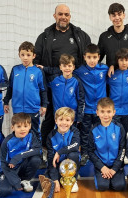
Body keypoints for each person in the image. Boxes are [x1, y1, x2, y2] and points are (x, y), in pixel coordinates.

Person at [34, 4, 91, 151]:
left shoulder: (80, 35)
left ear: (70, 16)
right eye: (60, 14)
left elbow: (89, 56)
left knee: (72, 120)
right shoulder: (45, 36)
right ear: (55, 16)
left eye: (66, 14)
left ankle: (73, 148)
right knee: (49, 118)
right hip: (52, 83)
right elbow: (36, 60)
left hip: (73, 80)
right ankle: (45, 148)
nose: (63, 17)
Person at [3, 41, 48, 139]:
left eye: (28, 55)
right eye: (22, 55)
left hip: (33, 108)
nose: (25, 57)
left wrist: (44, 105)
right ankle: (20, 152)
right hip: (18, 108)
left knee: (34, 131)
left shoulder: (38, 71)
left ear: (33, 56)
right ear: (19, 55)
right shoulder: (15, 70)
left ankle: (37, 152)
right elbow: (10, 87)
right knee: (19, 131)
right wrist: (6, 101)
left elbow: (43, 89)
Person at [73, 43, 109, 165]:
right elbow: (66, 71)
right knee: (85, 132)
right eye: (89, 57)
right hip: (87, 109)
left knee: (101, 131)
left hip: (101, 110)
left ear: (99, 57)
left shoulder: (105, 69)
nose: (92, 60)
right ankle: (84, 153)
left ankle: (100, 152)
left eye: (94, 57)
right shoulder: (79, 71)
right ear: (84, 57)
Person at [0, 113, 42, 197]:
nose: (22, 129)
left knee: (36, 159)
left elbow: (38, 150)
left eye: (25, 126)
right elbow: (3, 164)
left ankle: (25, 180)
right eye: (19, 126)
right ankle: (15, 180)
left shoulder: (31, 135)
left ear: (29, 126)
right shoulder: (7, 142)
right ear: (13, 127)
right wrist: (15, 182)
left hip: (23, 165)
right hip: (10, 168)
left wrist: (19, 156)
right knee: (3, 192)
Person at [88, 97, 126, 191]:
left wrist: (115, 168)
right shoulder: (93, 130)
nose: (106, 115)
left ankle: (119, 175)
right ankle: (100, 173)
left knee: (119, 186)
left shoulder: (119, 128)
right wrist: (101, 167)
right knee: (102, 187)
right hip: (101, 165)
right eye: (102, 111)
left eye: (109, 111)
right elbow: (90, 151)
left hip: (116, 165)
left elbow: (123, 149)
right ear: (97, 112)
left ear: (114, 112)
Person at [45, 107, 80, 193]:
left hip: (70, 164)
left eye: (67, 120)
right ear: (56, 121)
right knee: (48, 184)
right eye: (61, 119)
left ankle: (73, 179)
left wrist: (59, 152)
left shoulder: (75, 131)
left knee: (73, 154)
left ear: (72, 122)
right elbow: (50, 159)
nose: (64, 123)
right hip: (57, 165)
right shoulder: (51, 136)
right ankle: (59, 178)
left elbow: (75, 146)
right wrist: (55, 179)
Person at [46, 54, 85, 125]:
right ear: (60, 67)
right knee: (60, 134)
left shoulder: (76, 81)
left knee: (71, 135)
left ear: (73, 67)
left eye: (69, 66)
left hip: (72, 116)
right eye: (64, 66)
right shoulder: (54, 80)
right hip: (58, 116)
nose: (67, 68)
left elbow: (81, 100)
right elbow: (41, 82)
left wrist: (79, 116)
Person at [107, 48, 128, 133]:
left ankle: (123, 147)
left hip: (127, 110)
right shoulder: (111, 74)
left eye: (126, 60)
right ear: (117, 61)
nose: (124, 63)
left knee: (124, 132)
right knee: (114, 133)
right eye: (121, 60)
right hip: (114, 110)